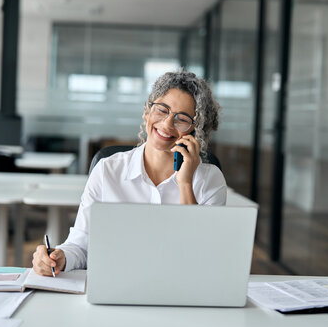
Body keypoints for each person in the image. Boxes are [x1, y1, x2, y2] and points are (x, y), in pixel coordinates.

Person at [32, 70, 227, 276]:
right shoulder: (108, 170)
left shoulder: (209, 180)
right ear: (147, 111)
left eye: (182, 119)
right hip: (116, 286)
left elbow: (202, 256)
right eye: (162, 110)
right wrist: (60, 257)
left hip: (181, 288)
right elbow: (81, 245)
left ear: (195, 131)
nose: (167, 124)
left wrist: (185, 183)